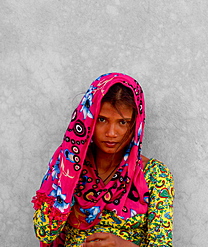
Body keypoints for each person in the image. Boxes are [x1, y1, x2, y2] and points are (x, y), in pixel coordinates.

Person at [32, 73, 174, 246]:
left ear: (135, 124)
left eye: (123, 122)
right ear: (87, 119)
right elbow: (44, 233)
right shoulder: (67, 163)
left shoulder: (154, 175)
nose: (111, 133)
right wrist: (69, 173)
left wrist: (121, 244)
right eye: (102, 120)